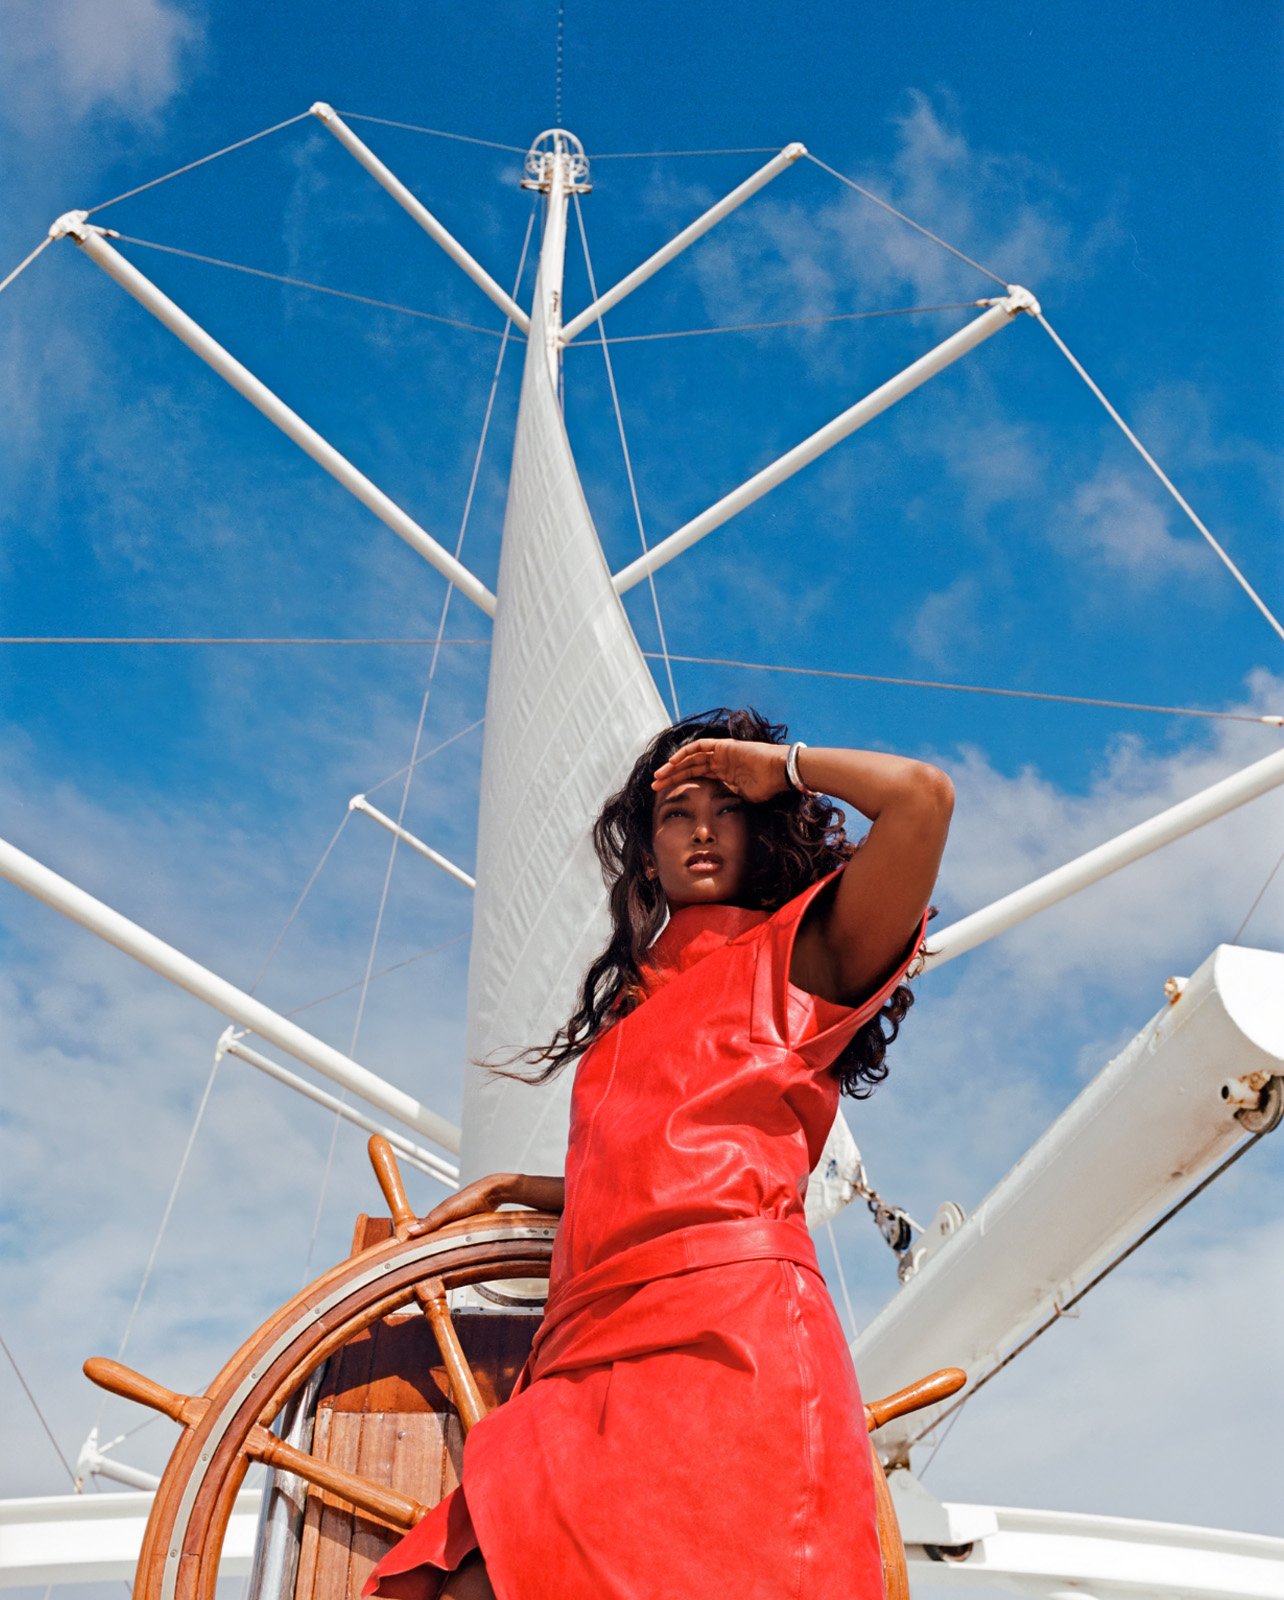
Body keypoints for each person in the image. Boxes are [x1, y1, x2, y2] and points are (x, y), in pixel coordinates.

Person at [365, 708, 953, 1600]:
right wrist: (536, 1189)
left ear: (766, 822)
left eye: (729, 806)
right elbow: (679, 1159)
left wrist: (780, 765)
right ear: (647, 851)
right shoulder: (627, 1019)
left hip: (729, 1350)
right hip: (585, 1352)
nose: (704, 829)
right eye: (678, 813)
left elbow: (922, 799)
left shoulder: (804, 956)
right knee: (429, 1586)